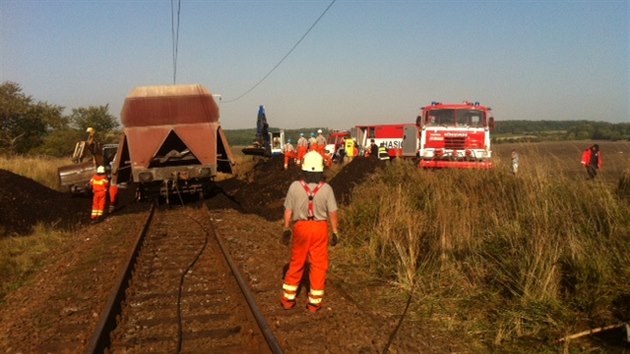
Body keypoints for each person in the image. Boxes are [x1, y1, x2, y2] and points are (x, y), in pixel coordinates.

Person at [281, 151, 339, 313]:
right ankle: (314, 304)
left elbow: (288, 210)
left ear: (304, 169)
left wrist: (286, 228)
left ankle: (288, 300)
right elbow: (333, 213)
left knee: (297, 262)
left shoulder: (294, 186)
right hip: (320, 228)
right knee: (319, 265)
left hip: (301, 227)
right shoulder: (327, 189)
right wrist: (335, 232)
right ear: (320, 170)